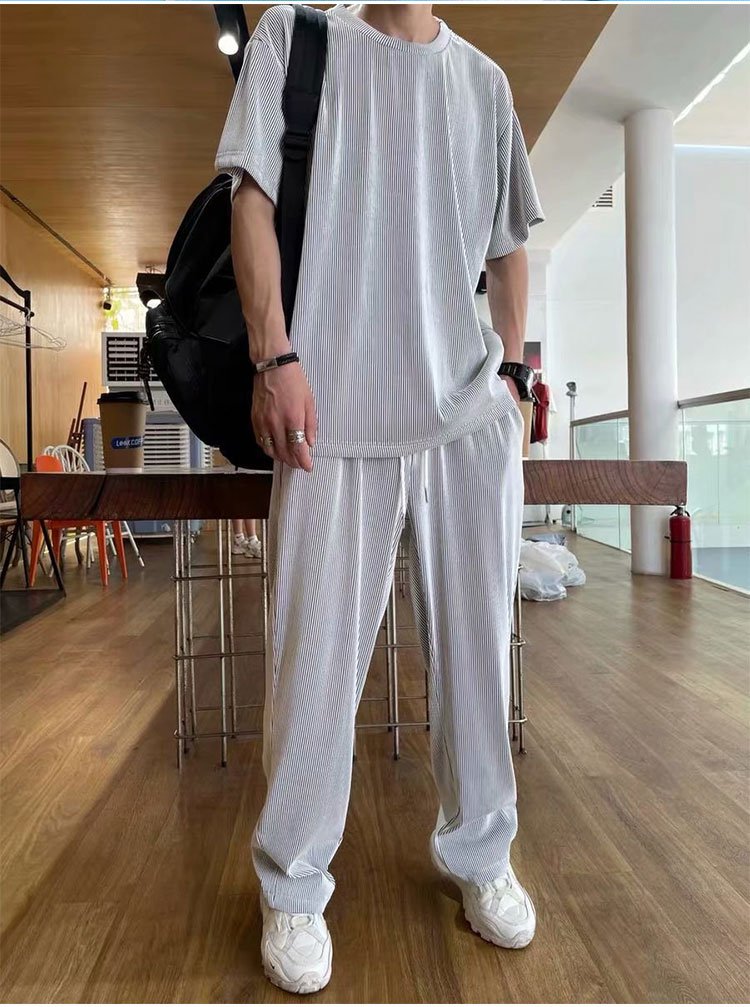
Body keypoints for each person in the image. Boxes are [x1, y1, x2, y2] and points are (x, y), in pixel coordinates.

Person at [216, 2, 544, 993]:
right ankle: (292, 882)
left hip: (466, 418)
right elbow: (251, 198)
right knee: (312, 664)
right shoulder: (294, 39)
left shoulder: (484, 83)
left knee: (480, 656)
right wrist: (274, 355)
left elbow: (508, 244)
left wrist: (514, 375)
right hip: (333, 414)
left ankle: (483, 852)